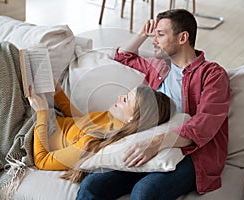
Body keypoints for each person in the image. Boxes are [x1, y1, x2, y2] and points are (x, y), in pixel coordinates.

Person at [76, 9, 231, 200]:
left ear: (183, 37)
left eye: (160, 34)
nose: (154, 40)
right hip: (146, 144)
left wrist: (155, 143)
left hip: (192, 154)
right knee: (92, 185)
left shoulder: (213, 75)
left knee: (144, 192)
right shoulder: (159, 66)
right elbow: (123, 57)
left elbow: (204, 125)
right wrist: (142, 34)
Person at [28, 82, 175, 182]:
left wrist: (41, 113)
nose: (119, 97)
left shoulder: (94, 143)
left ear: (132, 118)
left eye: (125, 100)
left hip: (31, 132)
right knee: (14, 56)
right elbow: (80, 123)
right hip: (47, 117)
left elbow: (42, 160)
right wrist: (58, 91)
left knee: (6, 53)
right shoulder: (110, 119)